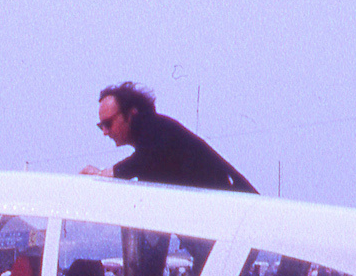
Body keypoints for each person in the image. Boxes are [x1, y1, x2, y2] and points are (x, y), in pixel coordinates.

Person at [82, 81, 259, 193]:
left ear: (131, 114)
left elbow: (145, 160)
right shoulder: (156, 132)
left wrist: (102, 174)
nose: (105, 132)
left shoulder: (155, 130)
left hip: (237, 209)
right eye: (101, 126)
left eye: (109, 123)